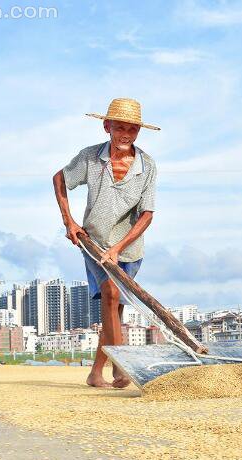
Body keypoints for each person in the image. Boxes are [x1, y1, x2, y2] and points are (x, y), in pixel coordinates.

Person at [52, 97, 160, 388]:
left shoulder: (146, 165)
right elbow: (59, 179)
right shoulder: (90, 157)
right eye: (120, 128)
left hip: (129, 247)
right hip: (95, 244)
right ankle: (121, 367)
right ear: (107, 127)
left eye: (132, 130)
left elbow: (147, 215)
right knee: (111, 296)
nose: (126, 135)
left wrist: (118, 249)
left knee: (114, 308)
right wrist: (69, 222)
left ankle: (95, 372)